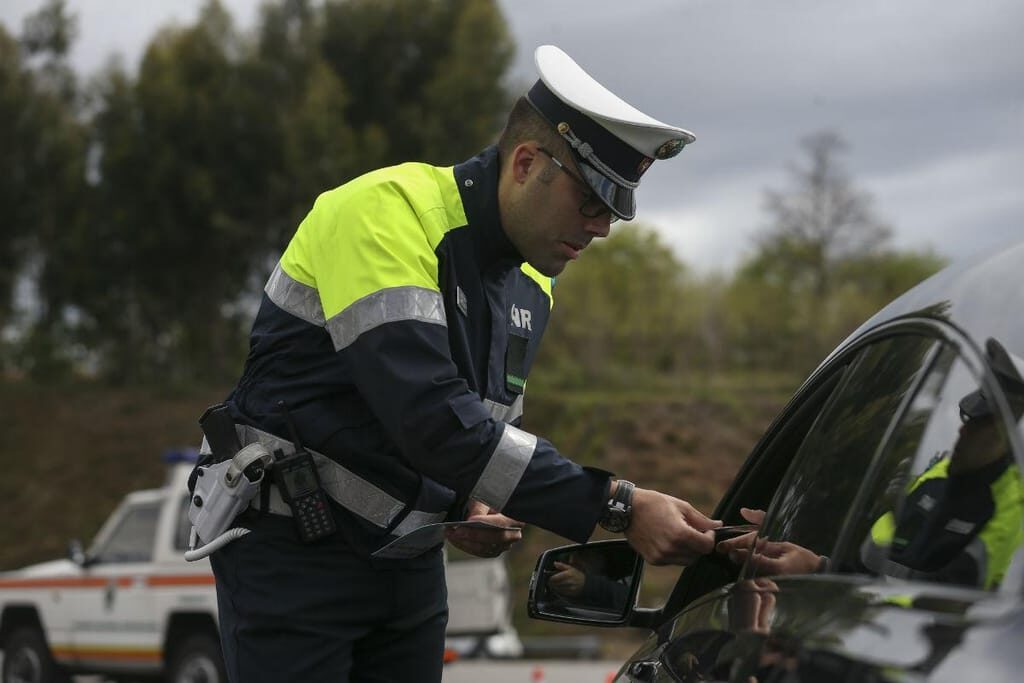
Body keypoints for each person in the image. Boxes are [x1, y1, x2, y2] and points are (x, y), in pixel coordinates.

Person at [202, 45, 720, 683]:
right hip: (296, 560)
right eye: (592, 203)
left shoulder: (534, 281)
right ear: (526, 163)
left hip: (410, 570)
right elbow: (431, 419)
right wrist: (617, 506)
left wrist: (473, 506)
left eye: (614, 213)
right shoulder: (384, 214)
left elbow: (482, 428)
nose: (602, 229)